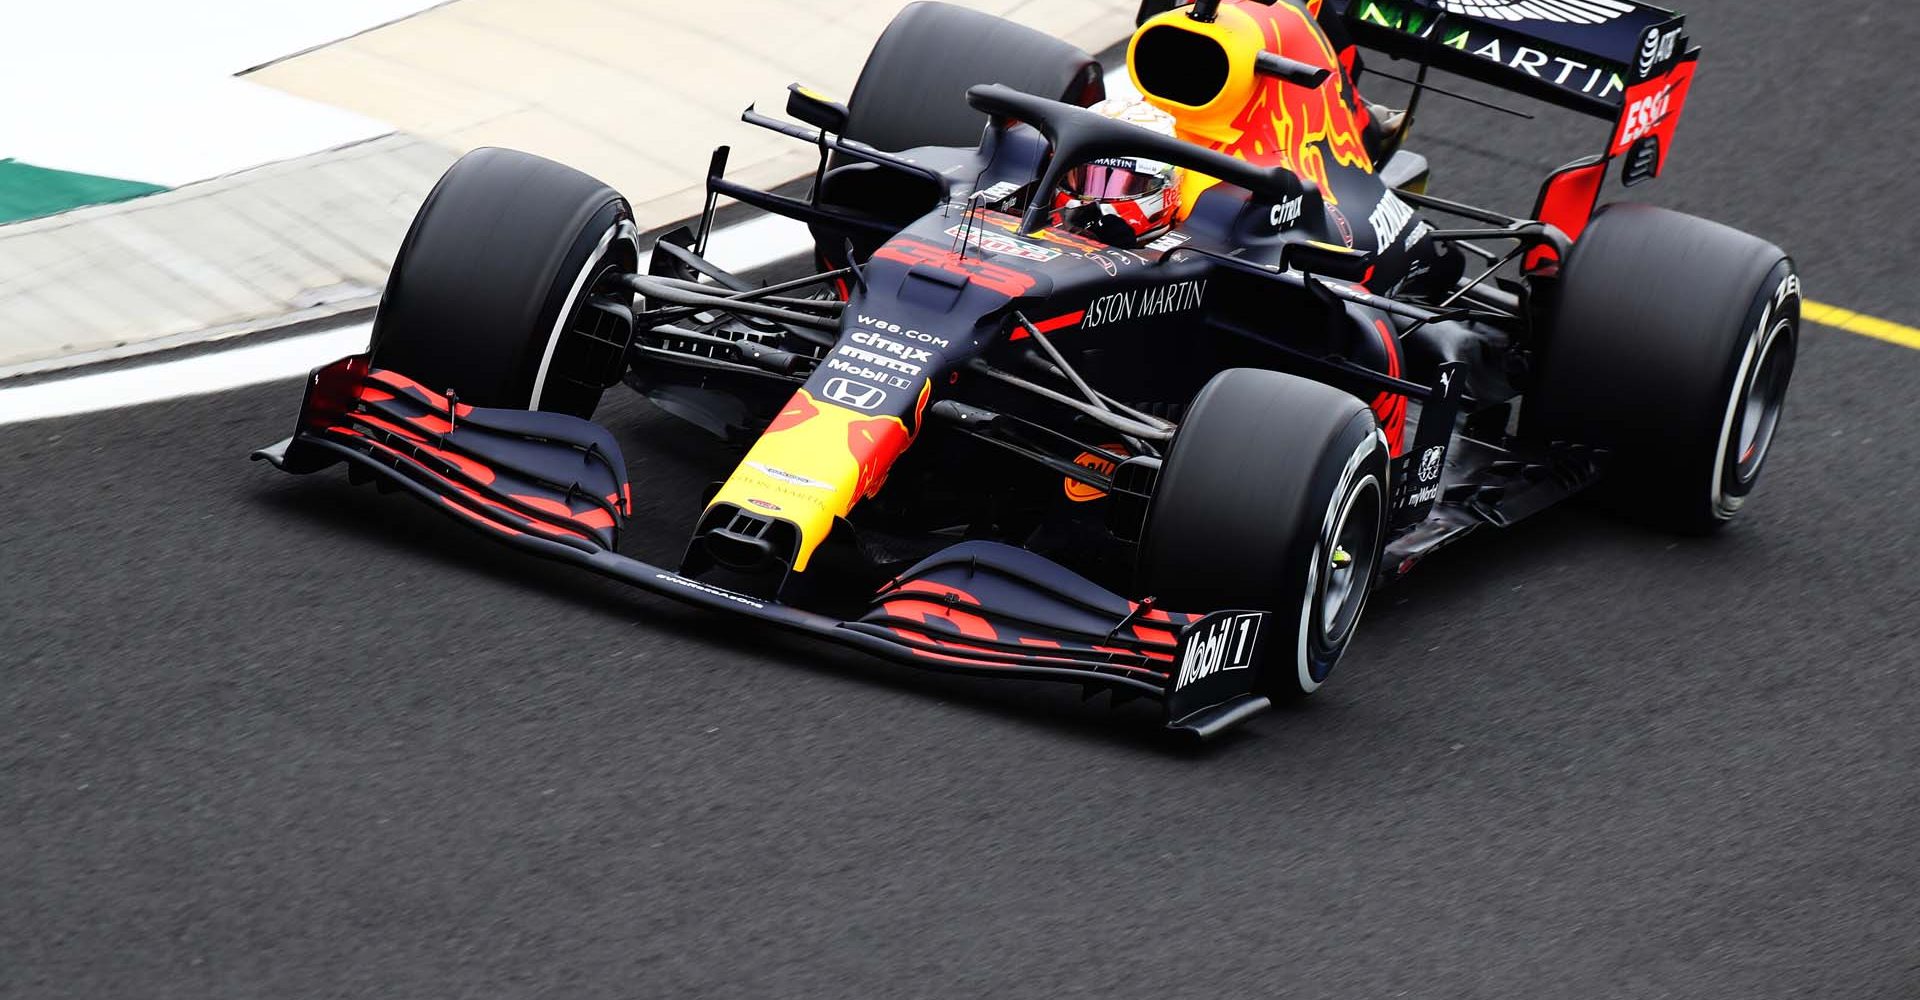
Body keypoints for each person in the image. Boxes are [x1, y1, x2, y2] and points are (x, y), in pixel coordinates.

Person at [1053, 98, 1184, 247]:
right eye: (1082, 180)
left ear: (1166, 187)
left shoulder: (1190, 258)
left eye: (1116, 184)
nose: (1088, 202)